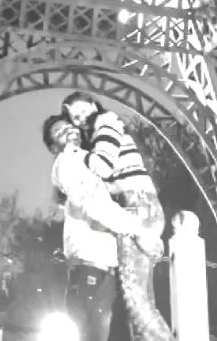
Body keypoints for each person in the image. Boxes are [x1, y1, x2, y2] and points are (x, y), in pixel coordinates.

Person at [61, 92, 172, 340]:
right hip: (143, 205)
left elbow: (102, 165)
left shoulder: (107, 122)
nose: (80, 118)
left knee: (138, 306)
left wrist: (76, 153)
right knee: (140, 303)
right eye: (75, 116)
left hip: (136, 206)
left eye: (82, 110)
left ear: (93, 104)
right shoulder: (105, 129)